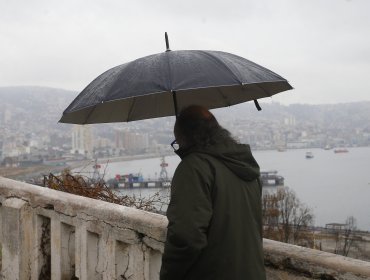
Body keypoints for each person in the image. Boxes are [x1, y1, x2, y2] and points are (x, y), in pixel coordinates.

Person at [160, 105, 266, 280]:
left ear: (186, 138)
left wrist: (168, 275)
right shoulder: (247, 166)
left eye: (177, 142)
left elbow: (186, 237)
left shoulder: (194, 168)